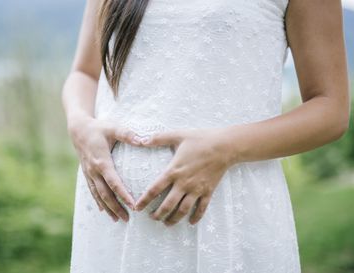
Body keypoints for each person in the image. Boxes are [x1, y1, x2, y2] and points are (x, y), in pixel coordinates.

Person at [61, 0, 350, 272]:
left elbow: (330, 109)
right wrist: (80, 126)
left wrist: (226, 148)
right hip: (112, 222)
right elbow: (85, 73)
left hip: (225, 214)